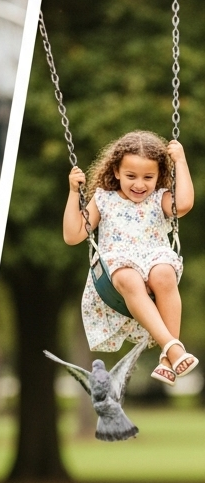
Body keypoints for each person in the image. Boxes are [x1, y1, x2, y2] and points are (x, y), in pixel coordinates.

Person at [64, 130, 196, 381]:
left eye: (148, 177)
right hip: (118, 267)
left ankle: (168, 359)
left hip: (154, 260)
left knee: (165, 272)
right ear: (116, 172)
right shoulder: (104, 199)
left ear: (159, 176)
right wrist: (73, 193)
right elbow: (73, 235)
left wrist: (180, 161)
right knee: (129, 276)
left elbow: (185, 203)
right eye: (131, 176)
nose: (139, 184)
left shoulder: (160, 198)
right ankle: (174, 347)